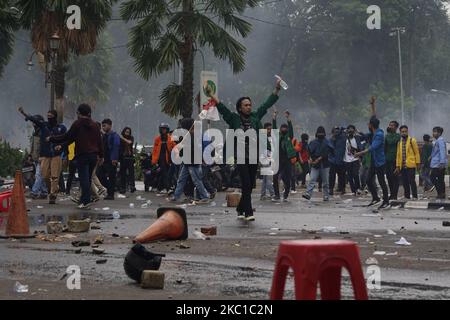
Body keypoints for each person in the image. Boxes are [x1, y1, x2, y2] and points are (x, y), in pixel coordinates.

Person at [207, 80, 281, 220]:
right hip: (240, 156)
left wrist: (276, 89)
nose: (249, 107)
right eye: (245, 105)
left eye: (250, 105)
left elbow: (266, 104)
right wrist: (211, 94)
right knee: (246, 183)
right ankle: (248, 212)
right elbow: (221, 107)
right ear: (240, 108)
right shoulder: (233, 118)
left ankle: (240, 208)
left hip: (254, 156)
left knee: (250, 185)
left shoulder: (255, 117)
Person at [48, 104, 103, 209]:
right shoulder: (95, 125)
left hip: (82, 155)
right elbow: (99, 141)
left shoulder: (77, 124)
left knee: (84, 179)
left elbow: (68, 137)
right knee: (88, 179)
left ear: (79, 113)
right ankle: (84, 199)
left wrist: (52, 139)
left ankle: (86, 201)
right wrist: (101, 155)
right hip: (93, 156)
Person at [18, 107, 66, 204]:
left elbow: (66, 139)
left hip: (56, 155)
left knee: (54, 176)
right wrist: (24, 113)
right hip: (45, 155)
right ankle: (54, 188)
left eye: (50, 116)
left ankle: (52, 195)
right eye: (47, 116)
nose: (49, 118)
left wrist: (61, 147)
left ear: (55, 117)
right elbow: (34, 119)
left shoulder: (61, 128)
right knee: (44, 175)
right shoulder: (44, 126)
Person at [354, 97, 390, 209]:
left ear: (371, 125)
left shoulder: (379, 135)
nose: (367, 124)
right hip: (374, 161)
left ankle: (386, 201)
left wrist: (359, 154)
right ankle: (375, 198)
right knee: (369, 180)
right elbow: (374, 116)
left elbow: (372, 148)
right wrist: (372, 105)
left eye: (368, 123)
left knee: (381, 182)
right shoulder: (374, 130)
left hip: (380, 162)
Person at [168, 118, 210, 204]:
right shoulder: (188, 135)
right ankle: (176, 196)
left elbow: (191, 149)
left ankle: (205, 196)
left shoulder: (192, 136)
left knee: (196, 180)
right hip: (187, 161)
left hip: (192, 161)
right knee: (181, 179)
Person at [272, 110, 297, 202]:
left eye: (285, 128)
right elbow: (274, 128)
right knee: (275, 178)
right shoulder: (277, 136)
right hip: (278, 160)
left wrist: (288, 118)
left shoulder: (289, 136)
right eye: (282, 128)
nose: (283, 129)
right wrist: (274, 117)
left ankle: (286, 194)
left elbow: (290, 128)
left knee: (287, 179)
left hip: (287, 160)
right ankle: (277, 195)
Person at [302, 126, 333, 201]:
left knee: (325, 182)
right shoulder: (313, 142)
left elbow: (327, 152)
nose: (320, 134)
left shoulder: (327, 142)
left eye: (322, 133)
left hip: (325, 164)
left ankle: (326, 195)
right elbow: (309, 151)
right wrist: (310, 159)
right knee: (312, 179)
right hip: (315, 165)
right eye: (319, 133)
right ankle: (308, 194)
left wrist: (318, 159)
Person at [395, 125, 420, 200]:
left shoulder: (412, 140)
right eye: (402, 132)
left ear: (407, 131)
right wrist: (397, 166)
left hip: (411, 164)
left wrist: (418, 163)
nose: (404, 133)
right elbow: (398, 155)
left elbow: (417, 153)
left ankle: (415, 196)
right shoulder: (399, 142)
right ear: (400, 132)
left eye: (405, 131)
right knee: (405, 181)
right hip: (402, 165)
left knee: (412, 181)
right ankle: (407, 196)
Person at [27, 115, 48, 199]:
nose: (33, 123)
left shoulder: (42, 131)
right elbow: (33, 145)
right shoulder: (35, 131)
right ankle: (44, 192)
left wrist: (41, 156)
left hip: (41, 157)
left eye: (34, 121)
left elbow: (43, 145)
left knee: (38, 175)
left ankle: (34, 192)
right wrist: (30, 155)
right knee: (41, 175)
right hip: (36, 157)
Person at [98, 119, 120, 201]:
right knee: (100, 175)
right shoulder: (104, 136)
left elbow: (116, 147)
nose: (103, 127)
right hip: (104, 160)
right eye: (102, 126)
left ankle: (111, 194)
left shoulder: (114, 135)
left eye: (105, 125)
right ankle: (111, 189)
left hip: (111, 160)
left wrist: (114, 158)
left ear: (110, 125)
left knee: (111, 177)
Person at [152, 123, 175, 195]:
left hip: (168, 159)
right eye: (162, 129)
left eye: (165, 129)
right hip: (161, 159)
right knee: (165, 174)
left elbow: (174, 146)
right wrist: (154, 160)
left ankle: (159, 187)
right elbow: (155, 150)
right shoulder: (157, 139)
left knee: (166, 174)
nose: (163, 130)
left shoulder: (170, 138)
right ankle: (168, 189)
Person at [343, 125, 363, 196]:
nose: (350, 131)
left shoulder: (357, 138)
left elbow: (364, 137)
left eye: (352, 130)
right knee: (349, 176)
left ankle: (357, 188)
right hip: (346, 160)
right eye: (349, 130)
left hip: (355, 159)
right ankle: (353, 190)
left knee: (355, 174)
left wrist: (358, 131)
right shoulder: (344, 139)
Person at [430, 126, 447, 200]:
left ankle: (440, 192)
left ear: (439, 133)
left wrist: (442, 163)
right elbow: (436, 152)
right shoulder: (438, 140)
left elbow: (442, 152)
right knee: (440, 179)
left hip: (438, 164)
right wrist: (431, 156)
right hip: (438, 163)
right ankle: (442, 194)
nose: (433, 133)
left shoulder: (440, 140)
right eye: (433, 131)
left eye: (435, 132)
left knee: (432, 177)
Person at [385, 120, 401, 200]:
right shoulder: (386, 136)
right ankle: (391, 194)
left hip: (396, 160)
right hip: (387, 159)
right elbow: (384, 147)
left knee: (395, 178)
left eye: (392, 125)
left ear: (396, 127)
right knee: (389, 177)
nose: (390, 126)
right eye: (390, 125)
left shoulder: (398, 136)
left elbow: (392, 142)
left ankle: (395, 195)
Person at [329, 127, 346, 195]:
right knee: (333, 176)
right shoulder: (331, 139)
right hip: (333, 160)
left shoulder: (343, 138)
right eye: (334, 131)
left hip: (340, 160)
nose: (336, 133)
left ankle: (342, 188)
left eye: (337, 131)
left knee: (341, 175)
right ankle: (332, 189)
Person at [119, 127, 136, 195]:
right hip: (123, 157)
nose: (127, 133)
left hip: (130, 157)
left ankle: (132, 186)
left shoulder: (131, 138)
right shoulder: (120, 139)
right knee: (122, 173)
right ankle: (122, 187)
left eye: (128, 132)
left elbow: (129, 142)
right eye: (126, 132)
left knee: (131, 173)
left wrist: (122, 138)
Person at [260, 121, 275, 200]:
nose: (270, 131)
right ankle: (273, 194)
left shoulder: (268, 137)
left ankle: (263, 195)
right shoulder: (263, 137)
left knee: (265, 179)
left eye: (270, 129)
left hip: (267, 159)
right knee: (269, 178)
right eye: (268, 129)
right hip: (266, 159)